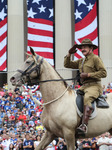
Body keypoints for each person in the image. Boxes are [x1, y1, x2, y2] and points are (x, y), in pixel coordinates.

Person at [64, 39, 107, 134]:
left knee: (87, 98)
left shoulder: (95, 58)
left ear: (91, 48)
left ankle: (84, 125)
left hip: (94, 86)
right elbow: (67, 64)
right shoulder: (82, 61)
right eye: (82, 47)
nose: (82, 49)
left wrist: (88, 75)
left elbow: (104, 73)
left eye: (85, 47)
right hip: (84, 86)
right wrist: (69, 54)